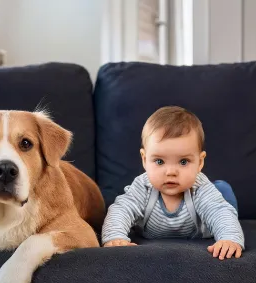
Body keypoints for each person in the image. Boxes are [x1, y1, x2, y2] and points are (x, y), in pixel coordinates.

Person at [102, 106, 244, 260]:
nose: (170, 172)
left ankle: (223, 193)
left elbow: (219, 211)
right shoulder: (143, 186)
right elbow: (122, 209)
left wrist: (229, 238)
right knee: (116, 201)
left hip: (201, 228)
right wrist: (115, 237)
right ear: (144, 159)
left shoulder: (199, 187)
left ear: (200, 162)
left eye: (183, 162)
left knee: (223, 196)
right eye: (159, 161)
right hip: (152, 230)